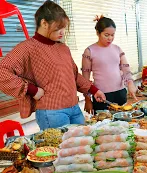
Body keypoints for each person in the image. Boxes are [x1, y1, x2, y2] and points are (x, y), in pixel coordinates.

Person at [0, 1, 106, 130]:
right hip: (51, 112)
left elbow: (73, 75)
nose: (62, 32)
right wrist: (31, 90)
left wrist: (94, 90)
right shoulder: (27, 48)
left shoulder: (63, 48)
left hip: (74, 108)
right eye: (58, 28)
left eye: (64, 28)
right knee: (61, 149)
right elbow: (2, 72)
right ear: (44, 23)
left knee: (83, 147)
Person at [82, 16, 137, 114]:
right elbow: (85, 79)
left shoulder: (117, 49)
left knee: (123, 124)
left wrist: (130, 83)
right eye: (106, 35)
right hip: (100, 95)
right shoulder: (89, 51)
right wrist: (87, 99)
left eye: (112, 35)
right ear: (98, 33)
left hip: (120, 92)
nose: (110, 38)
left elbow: (126, 69)